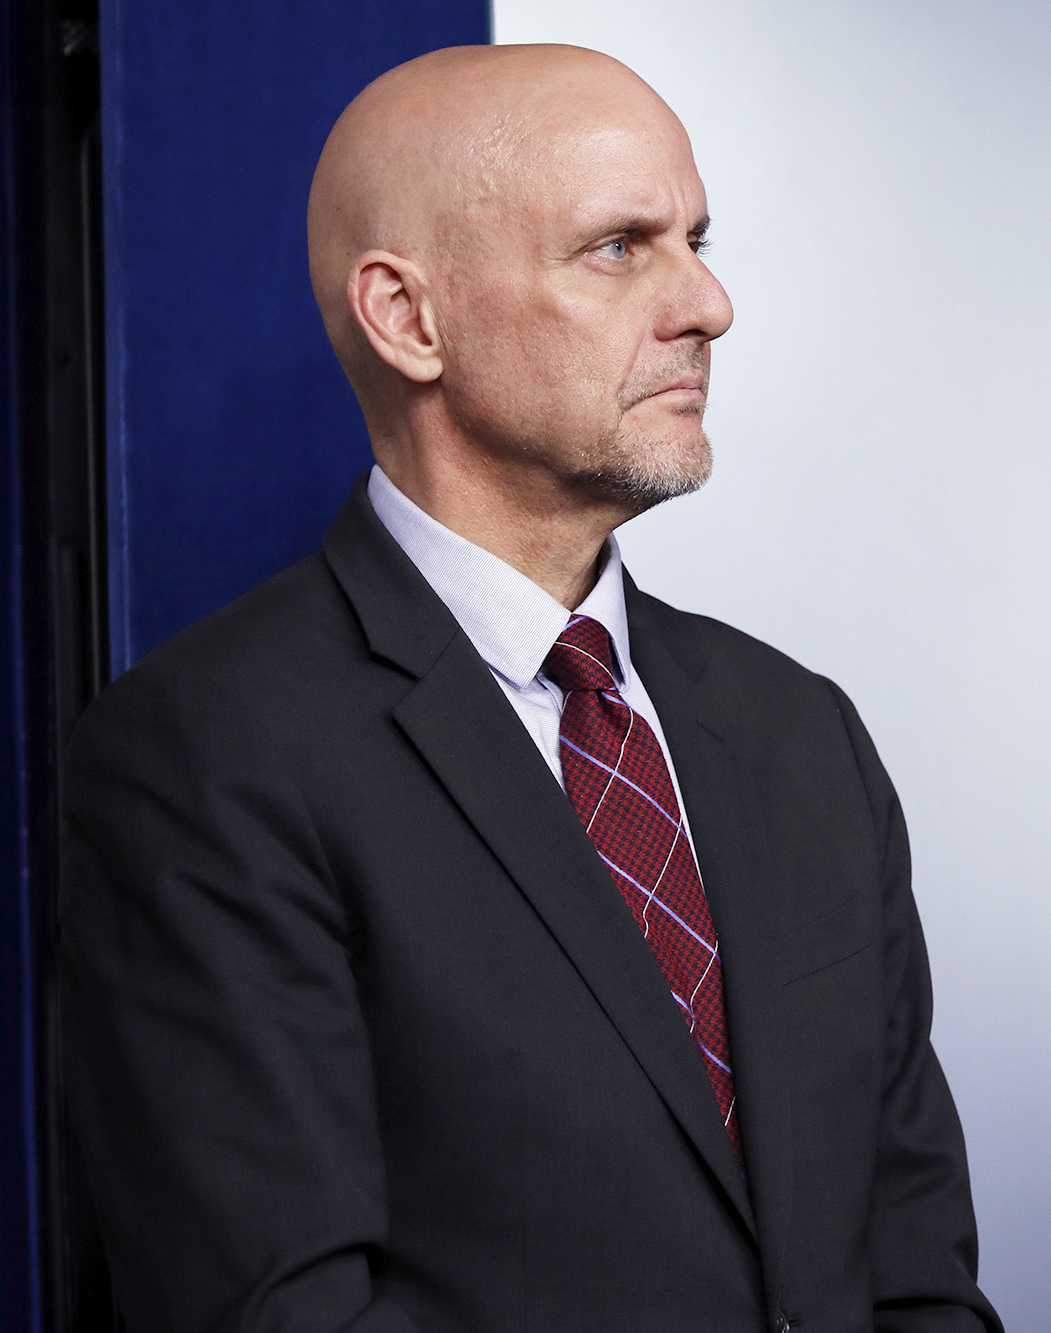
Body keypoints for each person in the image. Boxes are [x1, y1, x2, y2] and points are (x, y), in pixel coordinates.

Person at [61, 44, 1000, 1333]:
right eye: (620, 247)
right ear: (410, 319)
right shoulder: (209, 757)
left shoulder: (801, 734)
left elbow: (918, 1281)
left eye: (698, 237)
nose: (711, 303)